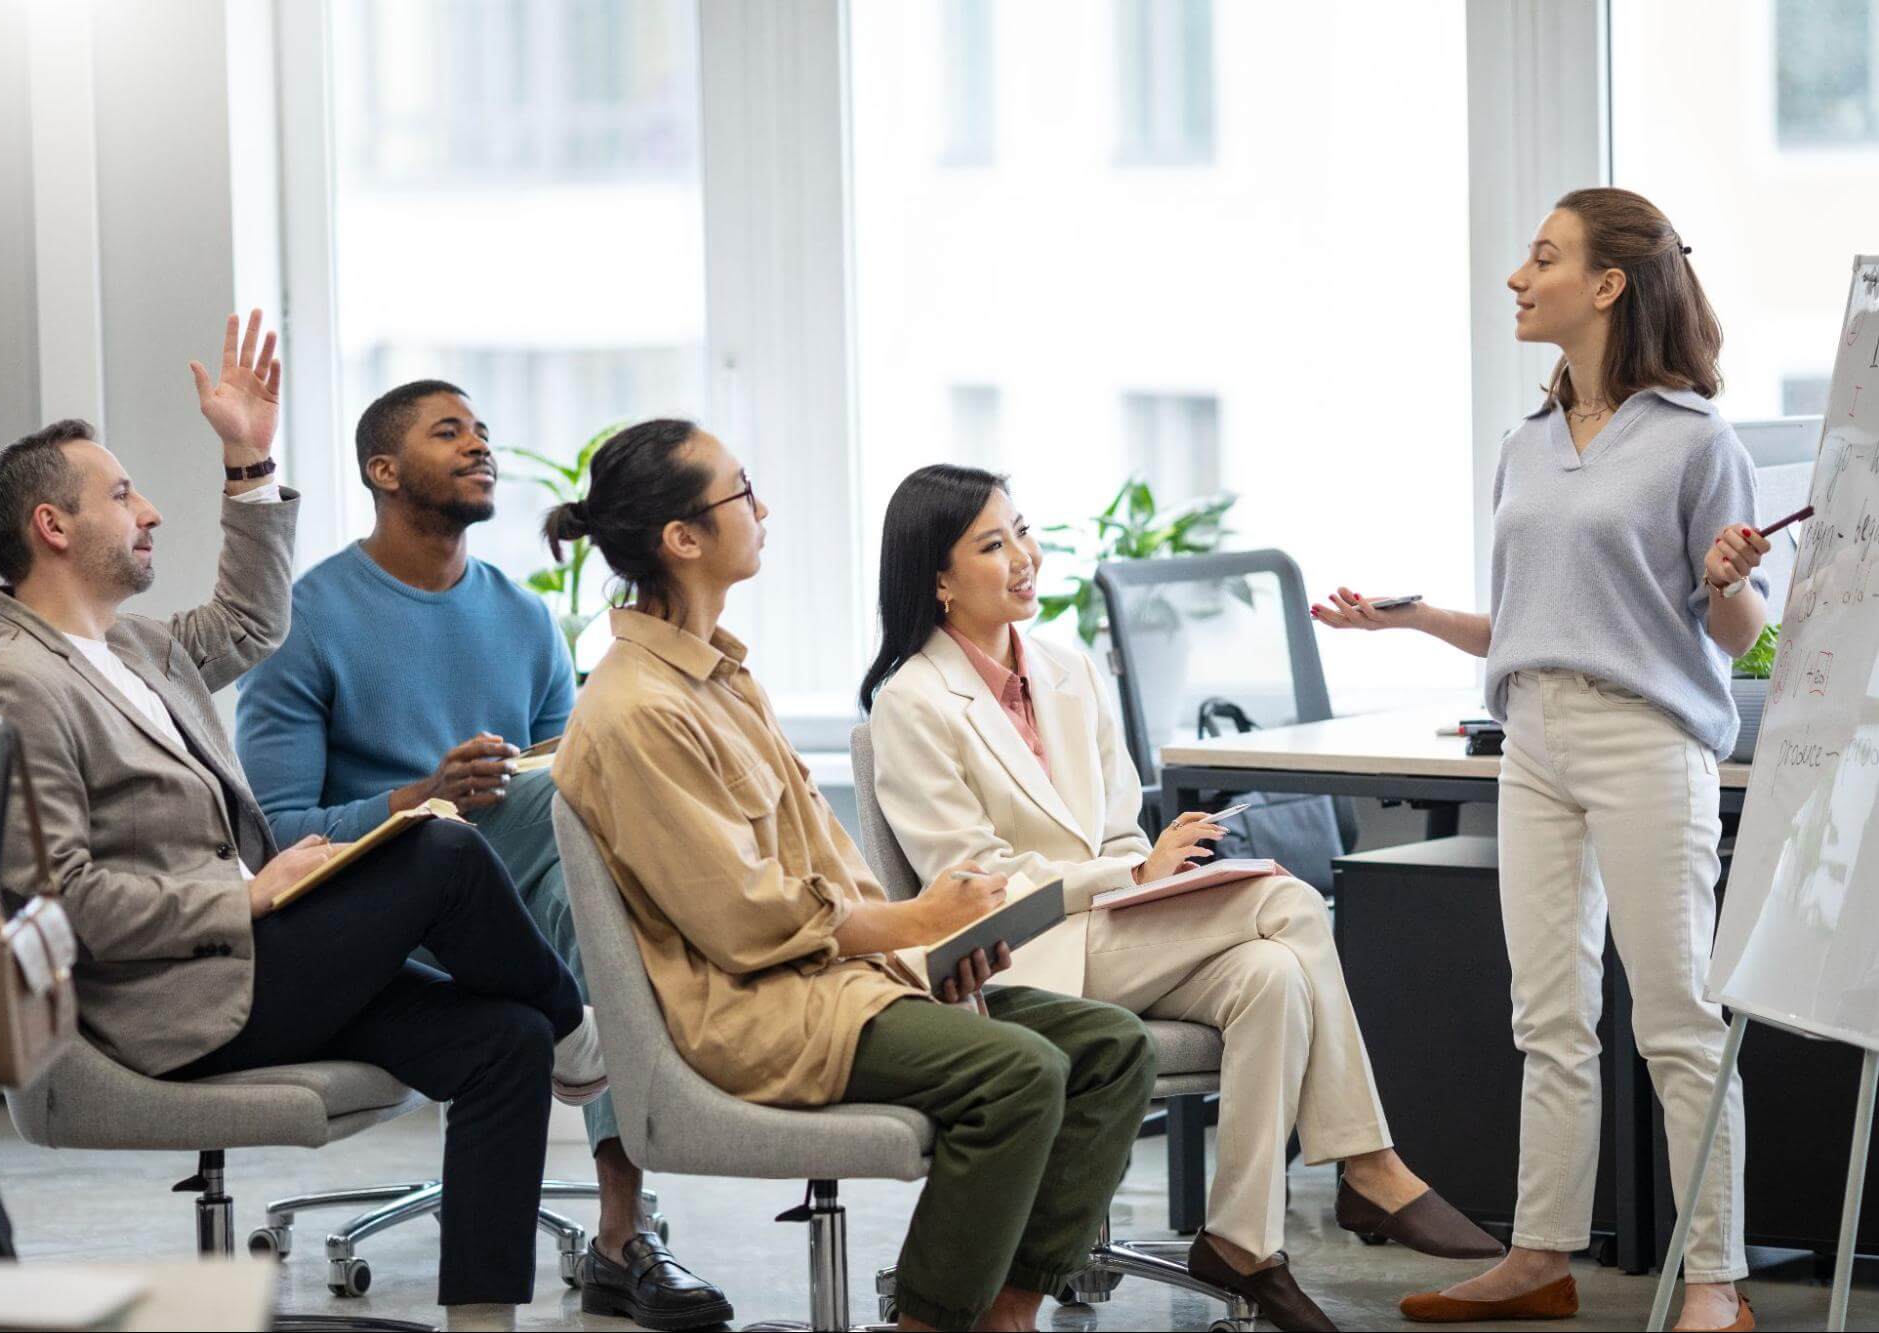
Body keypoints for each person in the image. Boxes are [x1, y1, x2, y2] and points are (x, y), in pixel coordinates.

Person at [0, 313, 602, 1330]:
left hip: (256, 968)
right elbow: (58, 901)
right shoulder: (13, 684)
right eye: (123, 496)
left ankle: (485, 1317)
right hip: (173, 1002)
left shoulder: (138, 650)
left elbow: (254, 619)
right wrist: (241, 891)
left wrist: (249, 459)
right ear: (53, 526)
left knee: (502, 1040)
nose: (150, 511)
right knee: (438, 843)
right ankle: (583, 1032)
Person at [549, 418, 1159, 1333]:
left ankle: (1005, 1311)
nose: (763, 508)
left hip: (841, 985)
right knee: (1019, 1072)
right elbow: (749, 922)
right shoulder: (638, 709)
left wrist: (922, 951)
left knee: (1110, 1048)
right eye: (740, 492)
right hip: (757, 1009)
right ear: (682, 538)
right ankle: (928, 1321)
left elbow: (827, 865)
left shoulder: (722, 678)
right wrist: (917, 924)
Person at [861, 464, 1501, 1333]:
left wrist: (1147, 868)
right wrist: (1125, 876)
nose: (1023, 556)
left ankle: (1241, 1241)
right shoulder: (912, 702)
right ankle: (1368, 1163)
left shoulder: (1065, 669)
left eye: (1021, 531)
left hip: (1119, 935)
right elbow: (973, 888)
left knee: (1274, 971)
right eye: (991, 543)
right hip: (1029, 959)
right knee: (1291, 905)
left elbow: (1119, 825)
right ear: (937, 579)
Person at [1315, 187, 1761, 1333]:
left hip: (1645, 740)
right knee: (1546, 1016)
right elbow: (1530, 623)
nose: (1519, 276)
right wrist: (1408, 623)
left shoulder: (1694, 439)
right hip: (1534, 738)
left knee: (1674, 1016)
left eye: (1543, 256)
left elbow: (1740, 635)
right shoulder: (1523, 444)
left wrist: (1726, 581)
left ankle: (1713, 1276)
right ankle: (1539, 1256)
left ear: (1608, 285)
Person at [234, 379, 728, 1329]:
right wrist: (424, 796)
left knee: (588, 854)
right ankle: (640, 1087)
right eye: (447, 431)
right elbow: (282, 835)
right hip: (370, 926)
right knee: (574, 835)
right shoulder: (306, 617)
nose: (478, 445)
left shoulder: (523, 615)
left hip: (520, 915)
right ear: (383, 470)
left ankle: (622, 1236)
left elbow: (572, 780)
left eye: (483, 431)